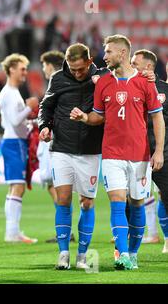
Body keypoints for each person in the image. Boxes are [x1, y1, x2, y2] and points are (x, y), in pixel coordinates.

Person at [70, 35, 165, 270]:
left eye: (109, 52)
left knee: (137, 203)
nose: (105, 56)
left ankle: (133, 253)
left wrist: (159, 151)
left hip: (140, 154)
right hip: (112, 154)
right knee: (117, 202)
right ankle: (122, 254)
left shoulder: (145, 82)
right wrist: (84, 117)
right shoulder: (103, 83)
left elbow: (157, 117)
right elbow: (98, 116)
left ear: (122, 53)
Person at [38, 43, 109, 270]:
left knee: (87, 203)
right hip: (62, 148)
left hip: (90, 149)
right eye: (72, 68)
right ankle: (63, 254)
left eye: (80, 69)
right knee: (63, 198)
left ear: (89, 62)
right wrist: (45, 125)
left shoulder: (102, 78)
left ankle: (82, 254)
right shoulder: (58, 79)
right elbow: (46, 106)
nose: (76, 73)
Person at [0, 53, 39, 244]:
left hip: (16, 142)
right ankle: (12, 233)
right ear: (11, 69)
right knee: (18, 187)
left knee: (15, 187)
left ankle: (12, 231)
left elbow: (18, 120)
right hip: (14, 143)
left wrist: (32, 120)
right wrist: (29, 107)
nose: (25, 72)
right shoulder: (8, 93)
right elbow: (14, 120)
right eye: (22, 69)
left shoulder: (13, 92)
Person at [130, 49, 168, 253]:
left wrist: (161, 150)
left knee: (165, 195)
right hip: (134, 153)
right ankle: (128, 244)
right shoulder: (126, 86)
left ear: (149, 67)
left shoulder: (164, 90)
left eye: (135, 64)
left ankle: (167, 238)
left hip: (161, 153)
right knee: (130, 199)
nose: (131, 66)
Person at [38, 50, 75, 244]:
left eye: (44, 65)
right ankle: (67, 229)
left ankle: (66, 230)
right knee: (54, 185)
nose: (43, 69)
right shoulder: (60, 82)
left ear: (51, 66)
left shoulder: (58, 83)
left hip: (55, 140)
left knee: (54, 184)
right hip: (54, 138)